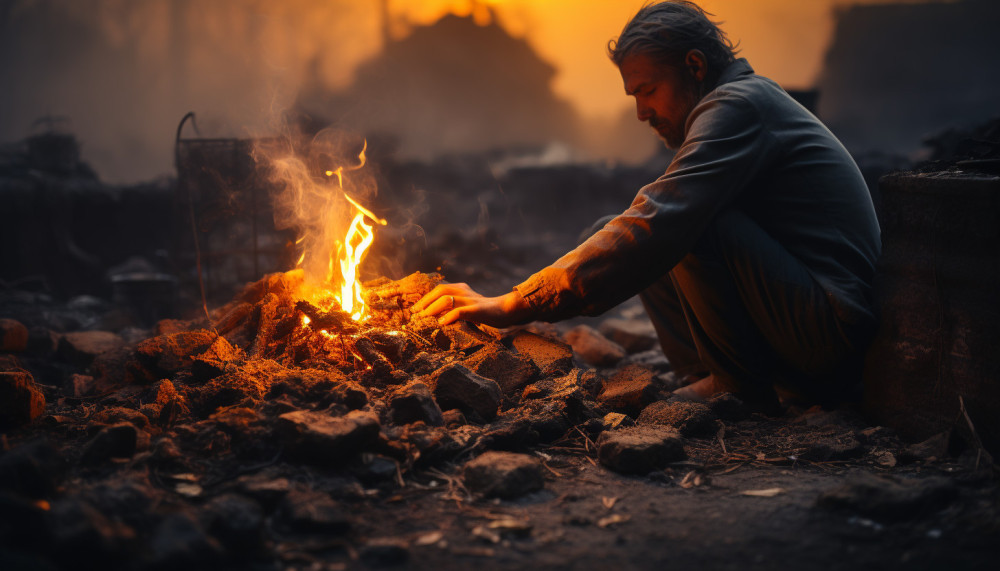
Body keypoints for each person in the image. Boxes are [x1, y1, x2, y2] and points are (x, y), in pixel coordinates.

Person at [412, 1, 881, 411]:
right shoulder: (736, 103)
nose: (641, 112)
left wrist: (520, 301)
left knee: (684, 222)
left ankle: (741, 389)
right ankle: (711, 373)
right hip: (798, 326)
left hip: (830, 336)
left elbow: (664, 214)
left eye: (647, 90)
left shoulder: (741, 106)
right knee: (624, 226)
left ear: (695, 67)